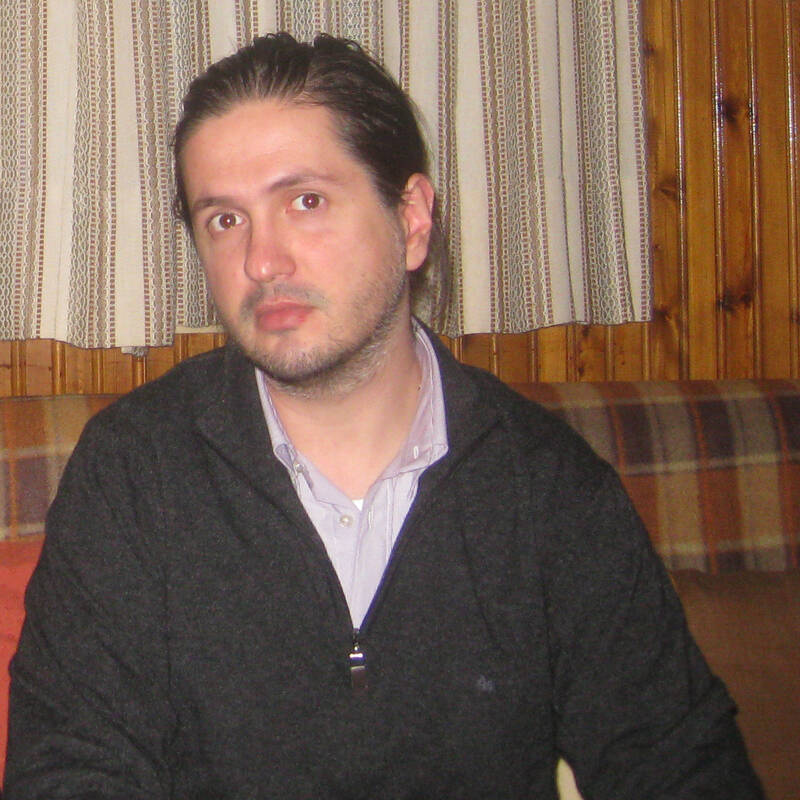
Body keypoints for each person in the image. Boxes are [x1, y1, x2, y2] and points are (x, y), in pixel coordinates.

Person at [4, 33, 763, 800]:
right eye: (225, 220)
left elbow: (681, 766)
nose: (262, 261)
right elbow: (69, 767)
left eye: (305, 202)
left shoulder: (550, 491)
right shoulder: (135, 471)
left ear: (412, 221)